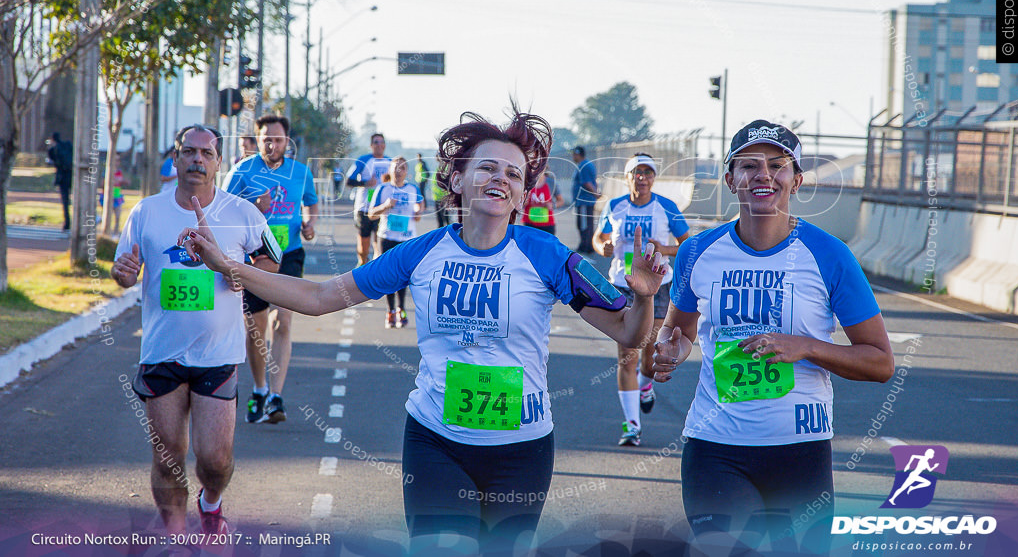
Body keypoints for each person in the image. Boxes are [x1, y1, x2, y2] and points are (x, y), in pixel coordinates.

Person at [179, 105, 669, 554]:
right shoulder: (422, 252)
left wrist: (644, 297)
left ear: (523, 192)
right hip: (436, 443)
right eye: (489, 167)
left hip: (523, 451)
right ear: (457, 179)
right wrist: (229, 267)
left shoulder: (546, 255)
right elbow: (321, 297)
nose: (502, 178)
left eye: (514, 174)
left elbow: (630, 334)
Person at [652, 119, 894, 553]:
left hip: (799, 452)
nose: (763, 174)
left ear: (796, 180)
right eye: (748, 165)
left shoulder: (829, 255)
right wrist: (670, 349)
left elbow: (880, 362)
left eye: (778, 165)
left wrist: (806, 347)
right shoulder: (697, 252)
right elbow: (680, 330)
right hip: (716, 447)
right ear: (730, 180)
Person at [110, 124, 282, 536]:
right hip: (161, 353)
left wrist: (234, 271)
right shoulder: (147, 212)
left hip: (217, 355)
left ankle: (211, 502)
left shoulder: (242, 213)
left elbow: (272, 264)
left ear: (219, 163)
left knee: (215, 462)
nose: (197, 160)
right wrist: (123, 274)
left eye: (206, 154)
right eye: (189, 152)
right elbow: (124, 270)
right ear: (176, 158)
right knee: (167, 455)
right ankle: (175, 538)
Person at [223, 115, 318, 425]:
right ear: (258, 138)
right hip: (255, 255)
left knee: (284, 322)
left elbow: (311, 204)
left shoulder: (301, 173)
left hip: (289, 253)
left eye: (277, 139)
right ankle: (260, 389)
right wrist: (252, 206)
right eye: (266, 139)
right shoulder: (243, 170)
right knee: (256, 327)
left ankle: (277, 396)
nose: (272, 144)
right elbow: (220, 206)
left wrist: (309, 223)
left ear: (286, 142)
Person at [593, 153, 689, 446]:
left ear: (653, 178)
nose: (643, 178)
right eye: (637, 172)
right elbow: (598, 238)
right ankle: (632, 426)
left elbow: (687, 244)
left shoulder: (666, 207)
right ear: (628, 177)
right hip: (622, 285)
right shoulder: (615, 206)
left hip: (659, 286)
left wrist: (665, 249)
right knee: (627, 356)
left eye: (648, 173)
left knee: (649, 356)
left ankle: (646, 386)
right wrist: (603, 247)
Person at [367, 156, 424, 328]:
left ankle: (401, 309)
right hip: (386, 237)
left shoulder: (413, 189)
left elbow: (420, 208)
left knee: (404, 276)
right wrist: (385, 206)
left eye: (402, 168)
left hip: (407, 239)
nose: (398, 171)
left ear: (407, 172)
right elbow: (371, 214)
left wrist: (418, 211)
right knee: (388, 276)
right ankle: (390, 310)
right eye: (395, 168)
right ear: (389, 171)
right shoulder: (382, 189)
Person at [345, 133, 392, 266]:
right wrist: (365, 183)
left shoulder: (390, 162)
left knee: (380, 244)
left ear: (384, 145)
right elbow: (349, 181)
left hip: (382, 209)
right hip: (364, 207)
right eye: (376, 142)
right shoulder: (363, 159)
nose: (379, 145)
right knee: (364, 246)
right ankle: (361, 263)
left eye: (381, 142)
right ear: (371, 146)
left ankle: (374, 272)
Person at [571, 146, 600, 252]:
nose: (573, 156)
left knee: (584, 225)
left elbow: (587, 182)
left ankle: (586, 246)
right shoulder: (585, 165)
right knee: (585, 224)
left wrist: (595, 193)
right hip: (584, 200)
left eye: (574, 154)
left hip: (584, 200)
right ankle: (587, 245)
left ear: (578, 154)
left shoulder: (584, 165)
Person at [47, 132, 73, 230]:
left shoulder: (53, 149)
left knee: (65, 201)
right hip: (71, 175)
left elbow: (51, 159)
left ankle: (67, 223)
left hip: (62, 177)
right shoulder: (68, 145)